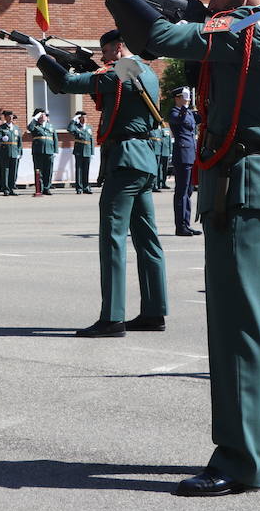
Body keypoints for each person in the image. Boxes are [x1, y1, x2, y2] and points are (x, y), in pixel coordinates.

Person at [72, 0, 260, 498]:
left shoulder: (246, 30)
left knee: (238, 326)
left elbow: (162, 40)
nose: (211, 4)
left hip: (239, 184)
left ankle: (237, 459)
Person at [23, 27, 166, 338]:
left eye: (106, 54)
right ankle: (154, 311)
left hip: (125, 158)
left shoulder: (118, 73)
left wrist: (42, 57)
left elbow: (65, 83)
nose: (104, 60)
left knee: (112, 237)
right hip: (144, 158)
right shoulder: (148, 71)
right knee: (146, 238)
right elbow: (111, 98)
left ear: (116, 48)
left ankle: (113, 317)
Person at [168, 89, 199, 231]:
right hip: (182, 155)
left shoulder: (189, 112)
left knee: (189, 191)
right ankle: (180, 226)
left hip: (191, 155)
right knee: (182, 190)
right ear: (177, 98)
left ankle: (186, 223)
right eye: (184, 97)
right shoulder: (174, 112)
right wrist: (185, 108)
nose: (187, 99)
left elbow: (201, 118)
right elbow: (178, 119)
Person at [28, 109, 56, 194]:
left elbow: (55, 139)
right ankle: (39, 188)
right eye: (41, 115)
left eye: (44, 115)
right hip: (38, 151)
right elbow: (30, 128)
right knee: (38, 171)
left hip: (49, 151)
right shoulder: (35, 125)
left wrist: (55, 151)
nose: (43, 116)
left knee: (48, 170)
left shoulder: (50, 126)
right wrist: (34, 118)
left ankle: (47, 188)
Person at [68, 111, 94, 194]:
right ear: (79, 119)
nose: (85, 119)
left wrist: (92, 152)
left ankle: (86, 187)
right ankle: (79, 188)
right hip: (79, 150)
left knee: (86, 170)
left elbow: (91, 140)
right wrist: (73, 120)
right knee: (79, 170)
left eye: (86, 117)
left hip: (87, 150)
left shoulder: (89, 127)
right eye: (83, 118)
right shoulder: (75, 126)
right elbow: (69, 129)